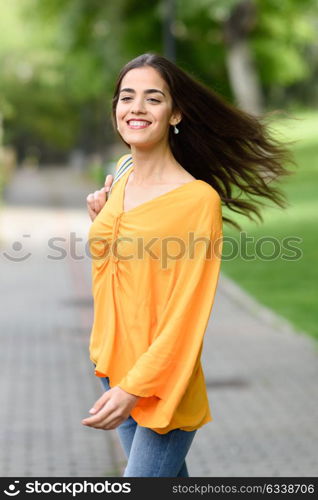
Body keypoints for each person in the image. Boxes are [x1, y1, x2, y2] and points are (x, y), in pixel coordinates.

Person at [82, 53, 293, 477]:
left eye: (153, 98)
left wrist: (133, 388)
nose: (136, 108)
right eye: (127, 97)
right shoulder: (121, 175)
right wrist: (102, 220)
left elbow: (186, 316)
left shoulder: (197, 201)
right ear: (116, 110)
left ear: (175, 112)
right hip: (112, 366)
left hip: (160, 383)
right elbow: (121, 270)